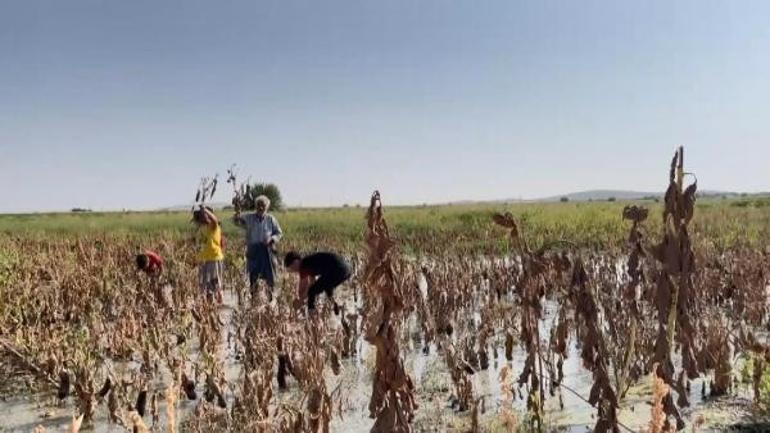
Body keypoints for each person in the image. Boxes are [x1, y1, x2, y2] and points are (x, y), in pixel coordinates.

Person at [234, 195, 282, 300]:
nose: (261, 208)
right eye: (259, 205)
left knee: (270, 276)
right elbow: (236, 221)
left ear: (267, 207)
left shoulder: (271, 219)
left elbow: (279, 233)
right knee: (253, 276)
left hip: (267, 250)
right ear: (256, 206)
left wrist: (271, 239)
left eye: (263, 206)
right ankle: (254, 299)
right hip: (254, 251)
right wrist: (237, 209)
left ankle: (270, 299)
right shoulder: (249, 217)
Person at [284, 251, 351, 313]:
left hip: (337, 270)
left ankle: (312, 318)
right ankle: (334, 304)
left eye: (292, 268)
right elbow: (313, 282)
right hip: (346, 269)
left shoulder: (303, 266)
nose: (294, 271)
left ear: (296, 261)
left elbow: (304, 288)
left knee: (311, 291)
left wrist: (300, 302)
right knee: (326, 286)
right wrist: (303, 299)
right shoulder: (309, 261)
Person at [194, 206, 225, 302]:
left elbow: (214, 220)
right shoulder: (200, 229)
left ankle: (219, 310)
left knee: (216, 286)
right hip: (203, 260)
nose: (202, 218)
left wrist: (205, 210)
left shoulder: (213, 226)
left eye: (204, 215)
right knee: (205, 287)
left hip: (214, 259)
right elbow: (199, 245)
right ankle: (210, 309)